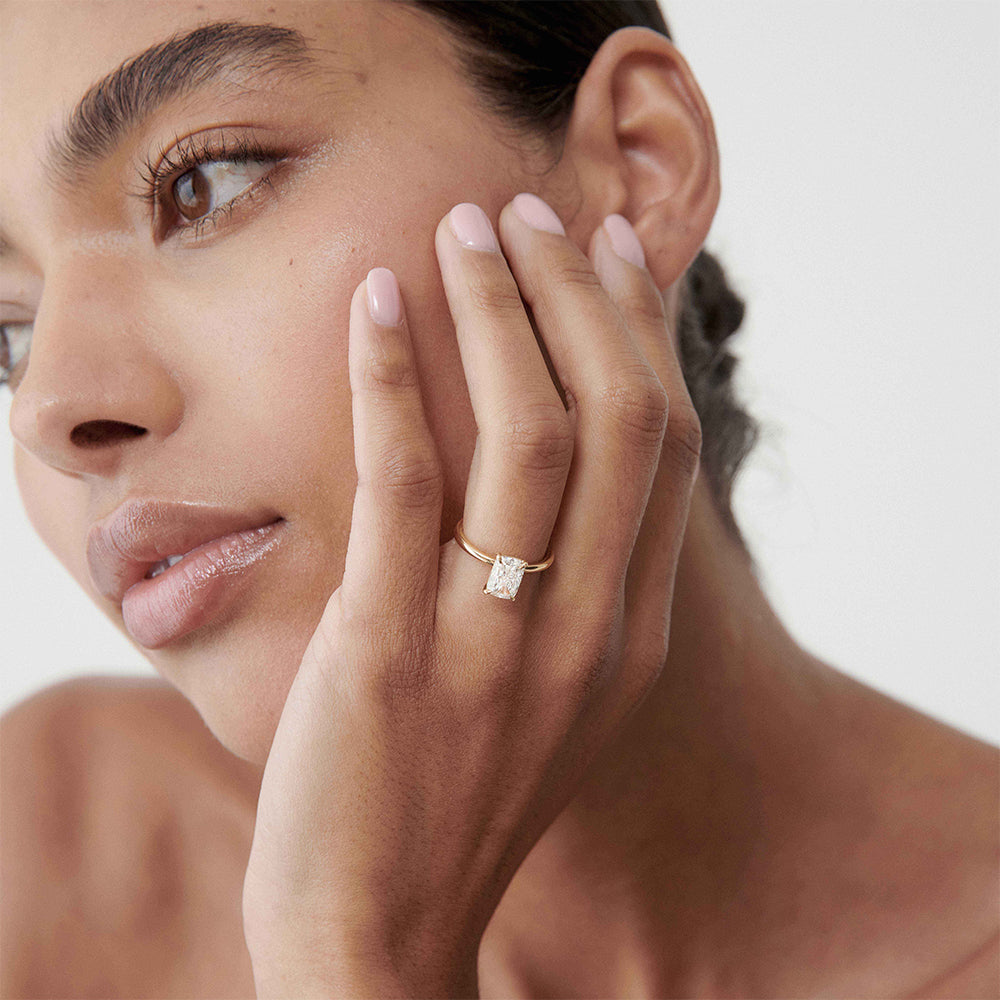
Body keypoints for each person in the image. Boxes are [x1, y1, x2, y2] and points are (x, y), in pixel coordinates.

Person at [1, 1, 996, 997]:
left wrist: (355, 952)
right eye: (9, 333)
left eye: (203, 183)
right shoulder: (51, 847)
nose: (49, 406)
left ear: (637, 162)